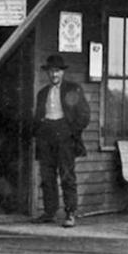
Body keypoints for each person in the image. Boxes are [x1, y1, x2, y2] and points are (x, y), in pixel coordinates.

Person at [33, 54, 90, 227]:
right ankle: (50, 212)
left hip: (65, 137)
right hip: (46, 136)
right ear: (47, 73)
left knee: (67, 175)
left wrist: (70, 132)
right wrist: (39, 132)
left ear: (62, 73)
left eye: (57, 71)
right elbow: (37, 117)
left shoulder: (73, 89)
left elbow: (84, 115)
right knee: (47, 176)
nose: (54, 75)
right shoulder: (42, 93)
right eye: (51, 72)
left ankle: (70, 213)